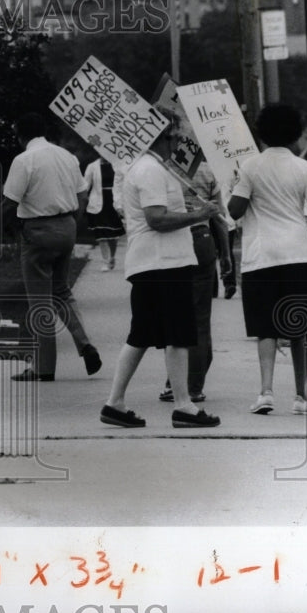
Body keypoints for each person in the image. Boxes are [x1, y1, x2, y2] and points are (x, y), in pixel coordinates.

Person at [99, 106, 221, 428]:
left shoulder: (146, 167)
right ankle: (183, 405)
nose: (180, 140)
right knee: (178, 334)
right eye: (176, 133)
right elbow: (156, 218)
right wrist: (200, 215)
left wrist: (194, 208)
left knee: (141, 335)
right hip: (163, 262)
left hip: (153, 262)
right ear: (163, 136)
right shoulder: (151, 170)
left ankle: (115, 402)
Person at [0, 112, 101, 381]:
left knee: (40, 303)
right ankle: (85, 343)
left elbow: (9, 203)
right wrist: (72, 220)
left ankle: (44, 368)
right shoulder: (67, 156)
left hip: (38, 231)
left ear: (21, 135)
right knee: (61, 291)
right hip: (67, 227)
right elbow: (82, 193)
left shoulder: (24, 160)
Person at [227, 103, 307, 416]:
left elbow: (235, 210)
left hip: (262, 255)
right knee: (299, 328)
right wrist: (300, 229)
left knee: (266, 327)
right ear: (295, 132)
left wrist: (233, 187)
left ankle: (266, 392)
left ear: (262, 131)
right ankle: (301, 396)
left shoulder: (250, 166)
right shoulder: (304, 168)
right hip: (298, 254)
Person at [157, 160, 232, 403]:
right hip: (202, 239)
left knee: (173, 314)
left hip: (172, 239)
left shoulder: (163, 169)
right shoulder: (208, 171)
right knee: (200, 318)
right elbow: (219, 216)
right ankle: (195, 386)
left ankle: (173, 382)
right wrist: (226, 255)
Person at [83, 154, 125, 271]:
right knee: (101, 234)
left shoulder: (118, 166)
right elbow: (86, 185)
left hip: (113, 202)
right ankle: (105, 261)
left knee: (113, 235)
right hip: (98, 202)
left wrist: (121, 204)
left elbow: (122, 184)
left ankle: (112, 257)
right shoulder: (92, 166)